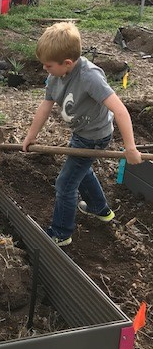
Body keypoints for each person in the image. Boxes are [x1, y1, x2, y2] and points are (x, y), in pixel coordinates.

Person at [22, 21, 142, 247]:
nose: (45, 70)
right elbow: (46, 104)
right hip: (81, 134)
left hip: (96, 137)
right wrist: (31, 135)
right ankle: (100, 209)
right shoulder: (56, 76)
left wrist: (130, 148)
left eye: (48, 66)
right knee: (81, 169)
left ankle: (61, 233)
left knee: (65, 185)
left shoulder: (90, 77)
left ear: (67, 63)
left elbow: (120, 110)